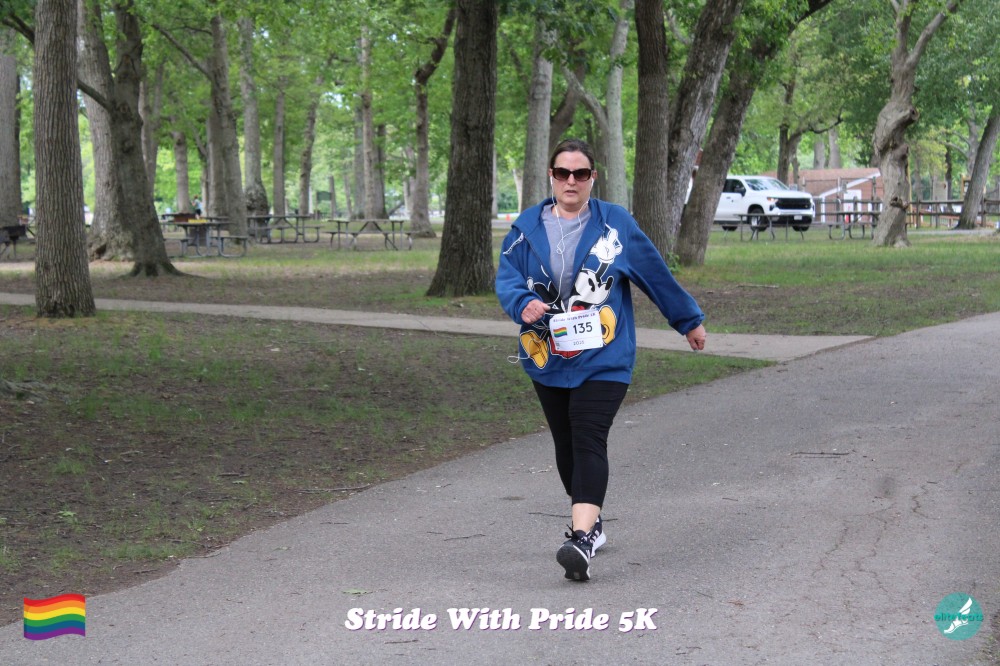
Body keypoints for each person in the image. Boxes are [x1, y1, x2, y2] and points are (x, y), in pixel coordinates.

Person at [495, 138, 707, 582]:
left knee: (588, 436)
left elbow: (655, 274)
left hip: (605, 354)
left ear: (593, 178)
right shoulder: (525, 228)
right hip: (548, 354)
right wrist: (521, 302)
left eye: (580, 173)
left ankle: (581, 539)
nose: (571, 181)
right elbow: (507, 277)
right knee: (566, 443)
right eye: (562, 173)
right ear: (551, 176)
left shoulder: (616, 225)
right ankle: (592, 520)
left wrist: (687, 320)